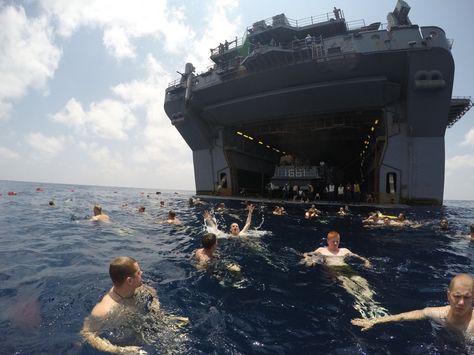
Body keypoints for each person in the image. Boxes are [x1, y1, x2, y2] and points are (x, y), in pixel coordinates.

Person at [351, 274, 474, 336]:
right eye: (457, 296)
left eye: (467, 297)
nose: (461, 302)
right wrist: (374, 321)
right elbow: (405, 316)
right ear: (448, 295)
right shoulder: (438, 314)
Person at [302, 231, 387, 318]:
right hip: (334, 268)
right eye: (333, 241)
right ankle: (361, 304)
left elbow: (357, 256)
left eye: (337, 241)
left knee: (362, 281)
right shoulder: (321, 250)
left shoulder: (344, 250)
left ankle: (372, 302)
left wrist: (366, 261)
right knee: (347, 283)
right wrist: (308, 259)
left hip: (346, 268)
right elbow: (306, 254)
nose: (335, 244)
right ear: (328, 241)